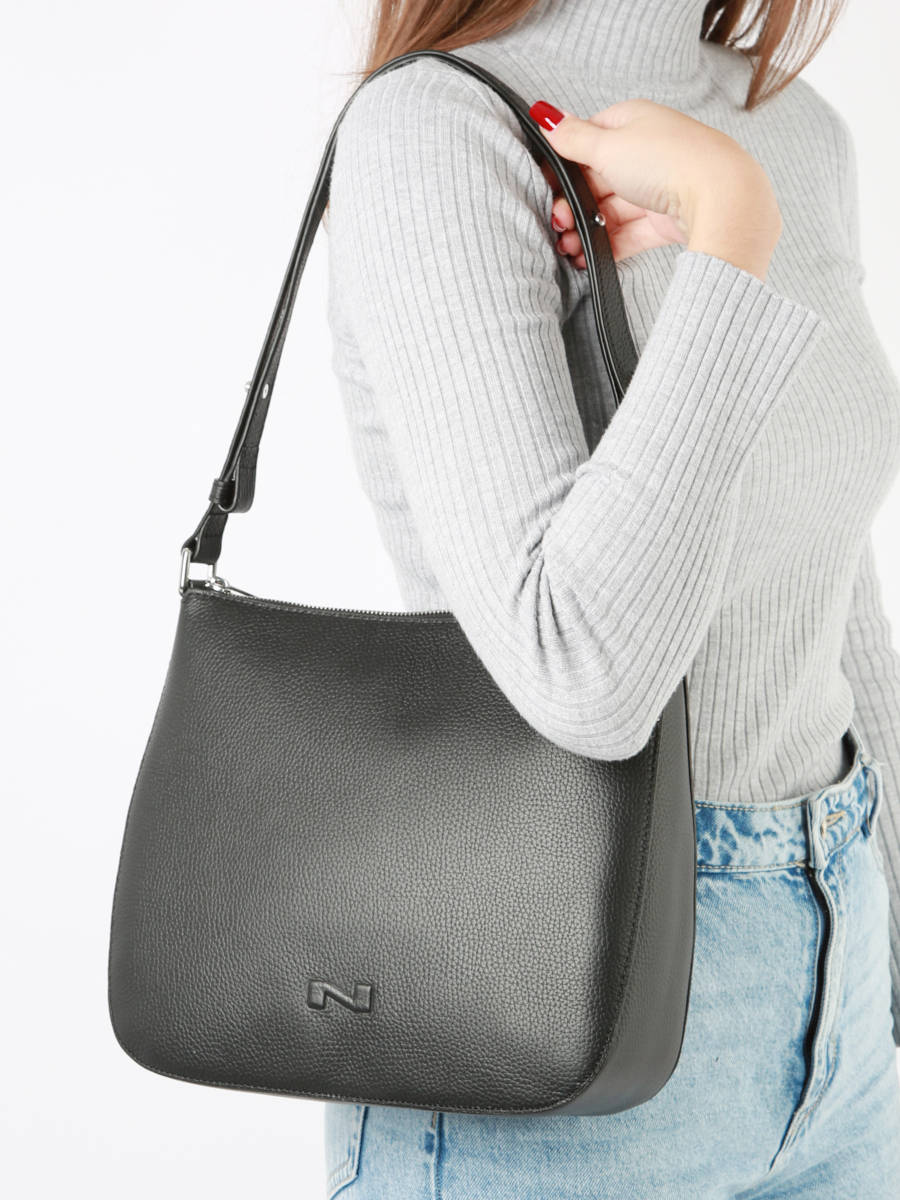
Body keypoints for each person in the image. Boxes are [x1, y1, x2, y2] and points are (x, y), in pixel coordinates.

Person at [321, 0, 900, 1194]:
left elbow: (830, 577)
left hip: (842, 993)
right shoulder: (436, 131)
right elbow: (582, 671)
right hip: (554, 1010)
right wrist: (728, 237)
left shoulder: (797, 129)